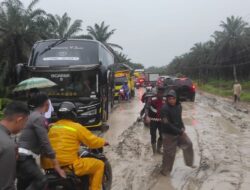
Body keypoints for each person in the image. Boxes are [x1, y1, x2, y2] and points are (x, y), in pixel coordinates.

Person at [41, 101, 109, 190]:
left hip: (49, 166)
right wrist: (103, 142)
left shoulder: (53, 127)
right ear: (73, 114)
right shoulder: (76, 127)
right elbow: (92, 141)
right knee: (99, 165)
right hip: (69, 166)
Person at [17, 92, 65, 190]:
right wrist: (57, 165)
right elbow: (45, 142)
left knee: (24, 184)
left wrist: (47, 126)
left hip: (20, 156)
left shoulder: (32, 116)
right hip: (25, 157)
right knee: (42, 180)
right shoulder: (39, 118)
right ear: (46, 103)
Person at [160, 89, 194, 176]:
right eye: (169, 98)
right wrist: (180, 132)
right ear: (167, 99)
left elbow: (179, 118)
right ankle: (165, 171)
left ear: (176, 98)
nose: (171, 100)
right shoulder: (164, 109)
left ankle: (189, 163)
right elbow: (167, 125)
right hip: (168, 134)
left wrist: (182, 126)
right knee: (169, 154)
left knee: (188, 143)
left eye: (173, 98)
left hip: (178, 132)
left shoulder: (179, 106)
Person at [0, 101, 29, 190]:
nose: (24, 127)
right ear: (19, 120)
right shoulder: (8, 145)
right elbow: (6, 186)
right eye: (25, 122)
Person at [145, 87, 166, 154]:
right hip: (153, 120)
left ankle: (158, 150)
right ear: (157, 92)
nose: (160, 94)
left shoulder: (165, 99)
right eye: (159, 93)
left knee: (163, 135)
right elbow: (147, 107)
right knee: (153, 135)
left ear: (163, 93)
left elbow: (169, 109)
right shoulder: (152, 99)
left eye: (162, 93)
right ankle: (154, 152)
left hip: (162, 121)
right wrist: (147, 116)